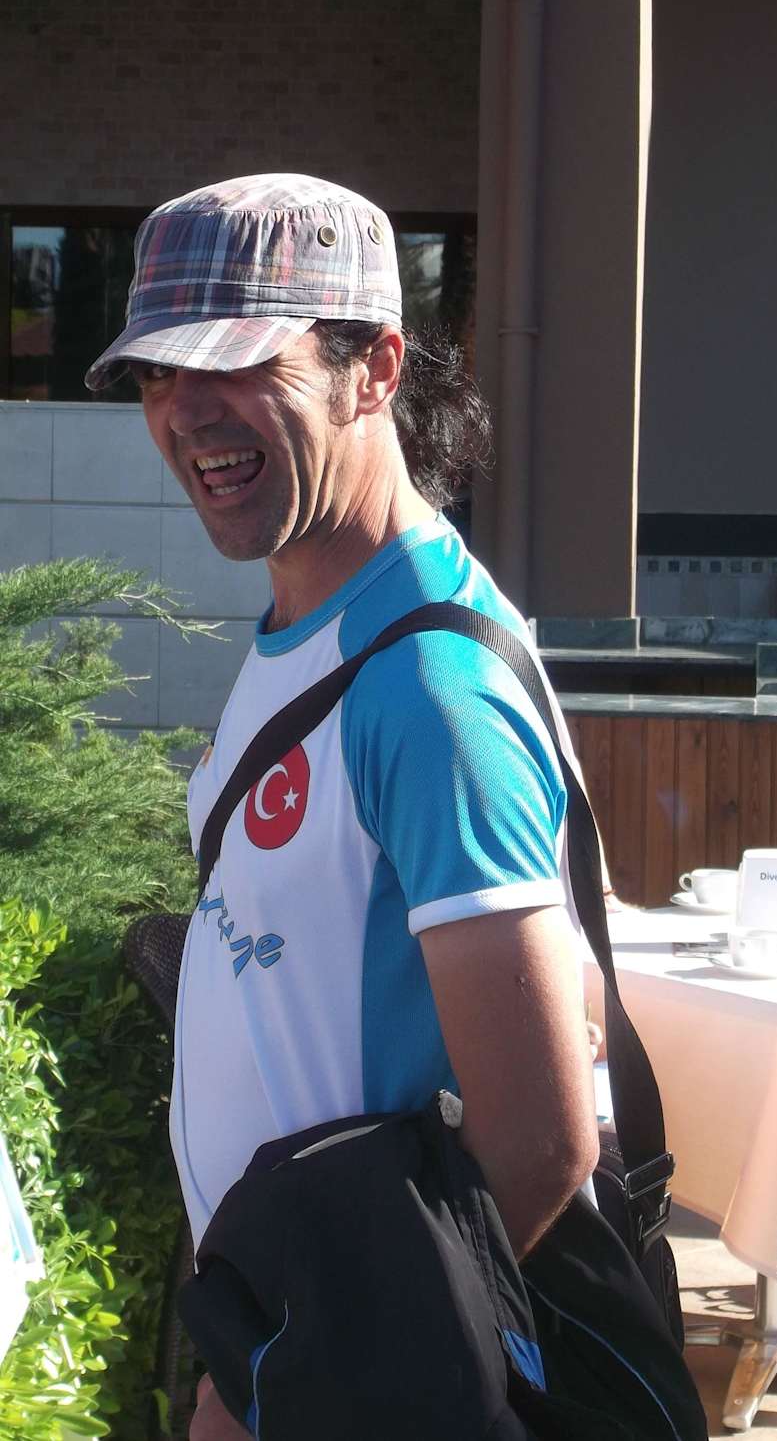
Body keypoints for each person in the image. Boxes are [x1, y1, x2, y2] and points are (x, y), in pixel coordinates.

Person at [86, 174, 602, 1439]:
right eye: (155, 373)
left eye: (234, 363)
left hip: (352, 1383)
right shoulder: (311, 627)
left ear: (373, 370)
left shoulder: (425, 688)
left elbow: (540, 1139)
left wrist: (298, 1371)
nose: (183, 410)